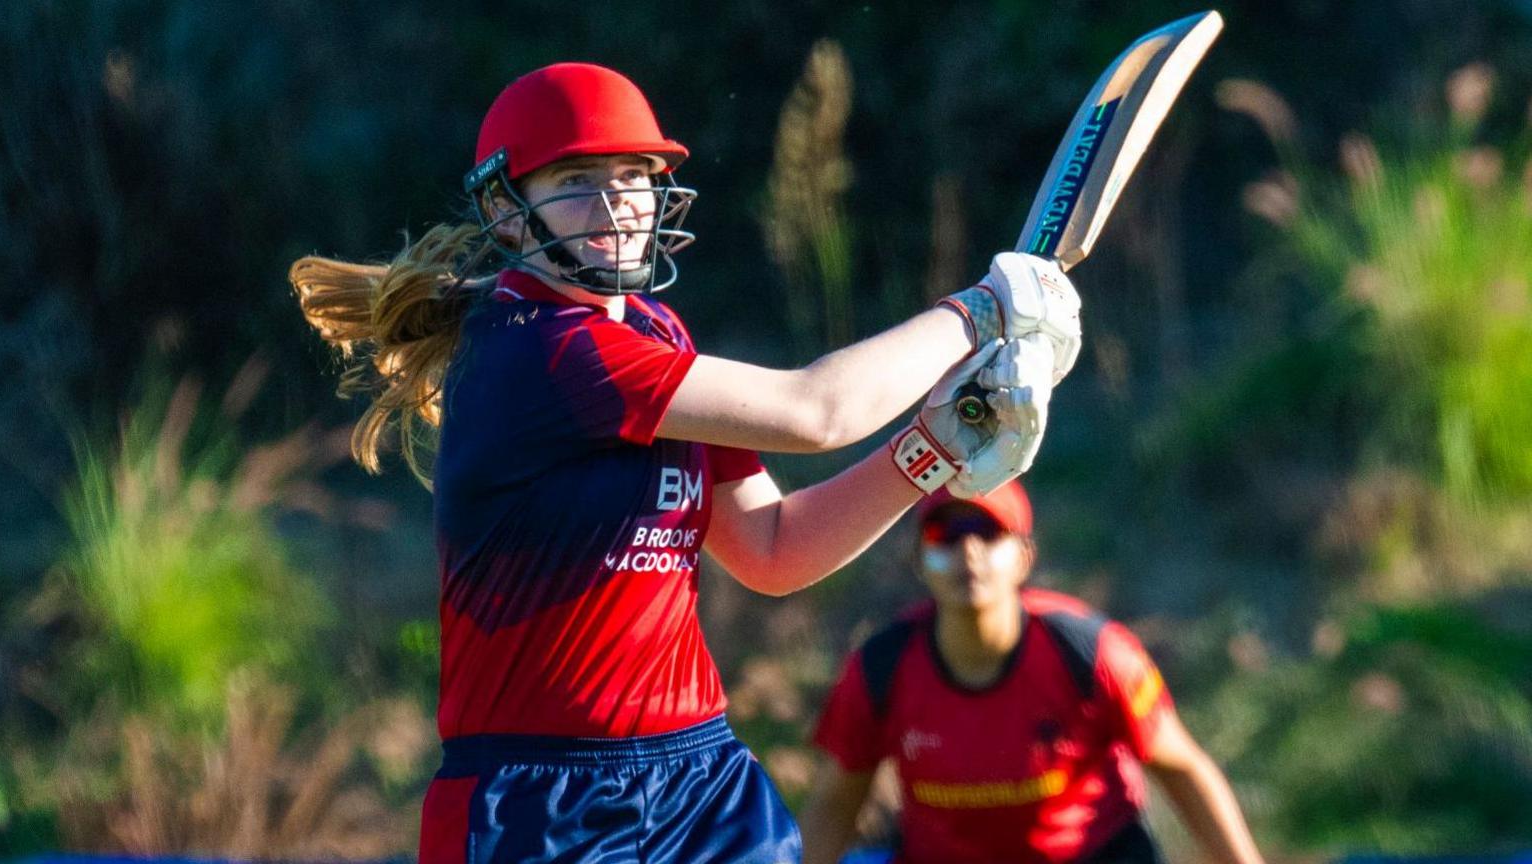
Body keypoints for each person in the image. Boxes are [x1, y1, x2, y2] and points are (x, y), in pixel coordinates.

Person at [290, 62, 1078, 864]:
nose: (618, 201)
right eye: (577, 178)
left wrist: (933, 451)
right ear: (507, 211)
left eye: (634, 173)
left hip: (700, 782)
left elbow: (772, 548)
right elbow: (816, 412)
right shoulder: (544, 349)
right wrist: (980, 311)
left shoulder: (656, 330)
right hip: (537, 801)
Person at [801, 480, 1266, 864]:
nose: (968, 553)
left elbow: (1184, 769)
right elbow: (837, 801)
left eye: (987, 532)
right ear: (921, 562)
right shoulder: (880, 667)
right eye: (946, 535)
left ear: (1024, 556)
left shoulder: (1095, 654)